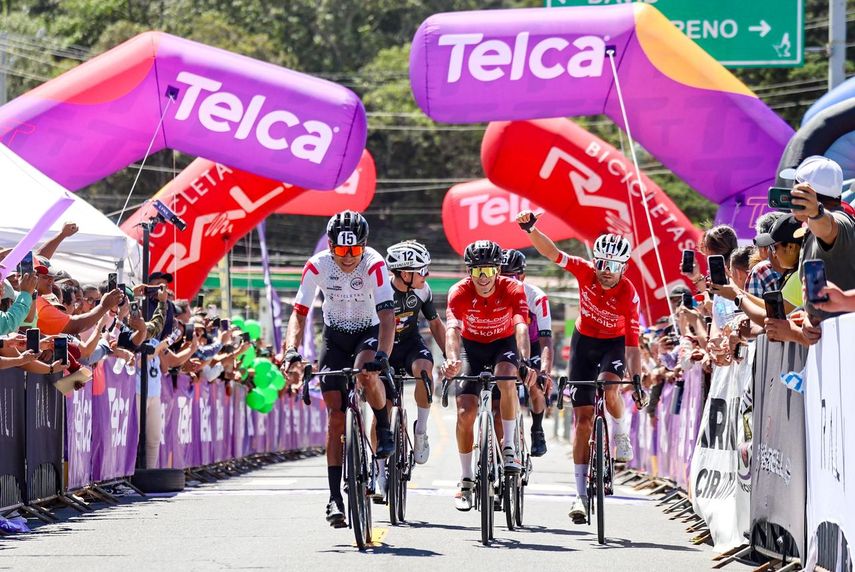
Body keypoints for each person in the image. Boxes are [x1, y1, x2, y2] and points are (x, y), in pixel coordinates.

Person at [515, 211, 643, 525]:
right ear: (595, 262)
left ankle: (620, 432)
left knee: (610, 387)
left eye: (614, 266)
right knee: (583, 420)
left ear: (624, 267)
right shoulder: (585, 271)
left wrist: (637, 379)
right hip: (584, 343)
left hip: (613, 344)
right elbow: (552, 252)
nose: (606, 271)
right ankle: (580, 495)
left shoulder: (628, 293)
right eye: (602, 264)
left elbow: (632, 344)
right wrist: (531, 230)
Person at [282, 210, 396, 528]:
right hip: (334, 338)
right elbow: (299, 313)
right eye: (342, 250)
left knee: (366, 373)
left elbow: (387, 316)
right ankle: (334, 497)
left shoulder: (374, 263)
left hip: (367, 332)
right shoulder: (317, 265)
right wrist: (290, 351)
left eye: (355, 249)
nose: (348, 257)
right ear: (331, 246)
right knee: (335, 418)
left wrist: (383, 356)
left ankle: (383, 424)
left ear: (364, 246)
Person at [442, 240, 536, 512]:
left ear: (498, 270)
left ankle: (509, 449)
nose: (483, 277)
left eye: (489, 271)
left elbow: (521, 327)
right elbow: (452, 330)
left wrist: (524, 361)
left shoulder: (513, 289)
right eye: (476, 271)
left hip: (502, 346)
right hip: (472, 350)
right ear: (468, 271)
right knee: (465, 413)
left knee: (506, 376)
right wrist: (452, 359)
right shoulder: (458, 291)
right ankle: (466, 478)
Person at [385, 240, 446, 465]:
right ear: (404, 273)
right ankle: (379, 469)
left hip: (410, 344)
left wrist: (450, 356)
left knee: (424, 370)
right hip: (384, 348)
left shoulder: (423, 290)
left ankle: (420, 430)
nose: (426, 275)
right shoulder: (380, 290)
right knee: (383, 410)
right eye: (422, 270)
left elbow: (435, 324)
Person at [783, 156, 855, 326]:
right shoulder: (812, 227)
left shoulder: (839, 220)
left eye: (795, 189)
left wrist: (816, 213)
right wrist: (808, 316)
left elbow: (829, 226)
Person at [500, 249, 553, 457]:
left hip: (533, 343)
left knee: (535, 385)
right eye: (501, 275)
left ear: (522, 276)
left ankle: (537, 429)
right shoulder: (491, 292)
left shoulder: (537, 297)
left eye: (511, 276)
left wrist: (545, 372)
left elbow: (546, 340)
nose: (505, 281)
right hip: (504, 344)